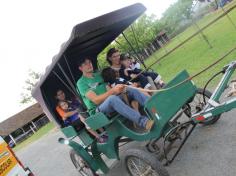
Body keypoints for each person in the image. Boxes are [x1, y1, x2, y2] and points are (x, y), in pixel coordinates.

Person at [77, 57, 154, 130]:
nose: (89, 64)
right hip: (98, 110)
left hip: (112, 100)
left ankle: (155, 107)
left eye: (89, 62)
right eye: (85, 64)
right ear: (80, 68)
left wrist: (120, 89)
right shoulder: (81, 83)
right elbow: (96, 100)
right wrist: (113, 91)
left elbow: (109, 87)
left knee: (130, 89)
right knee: (112, 99)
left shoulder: (98, 75)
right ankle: (143, 122)